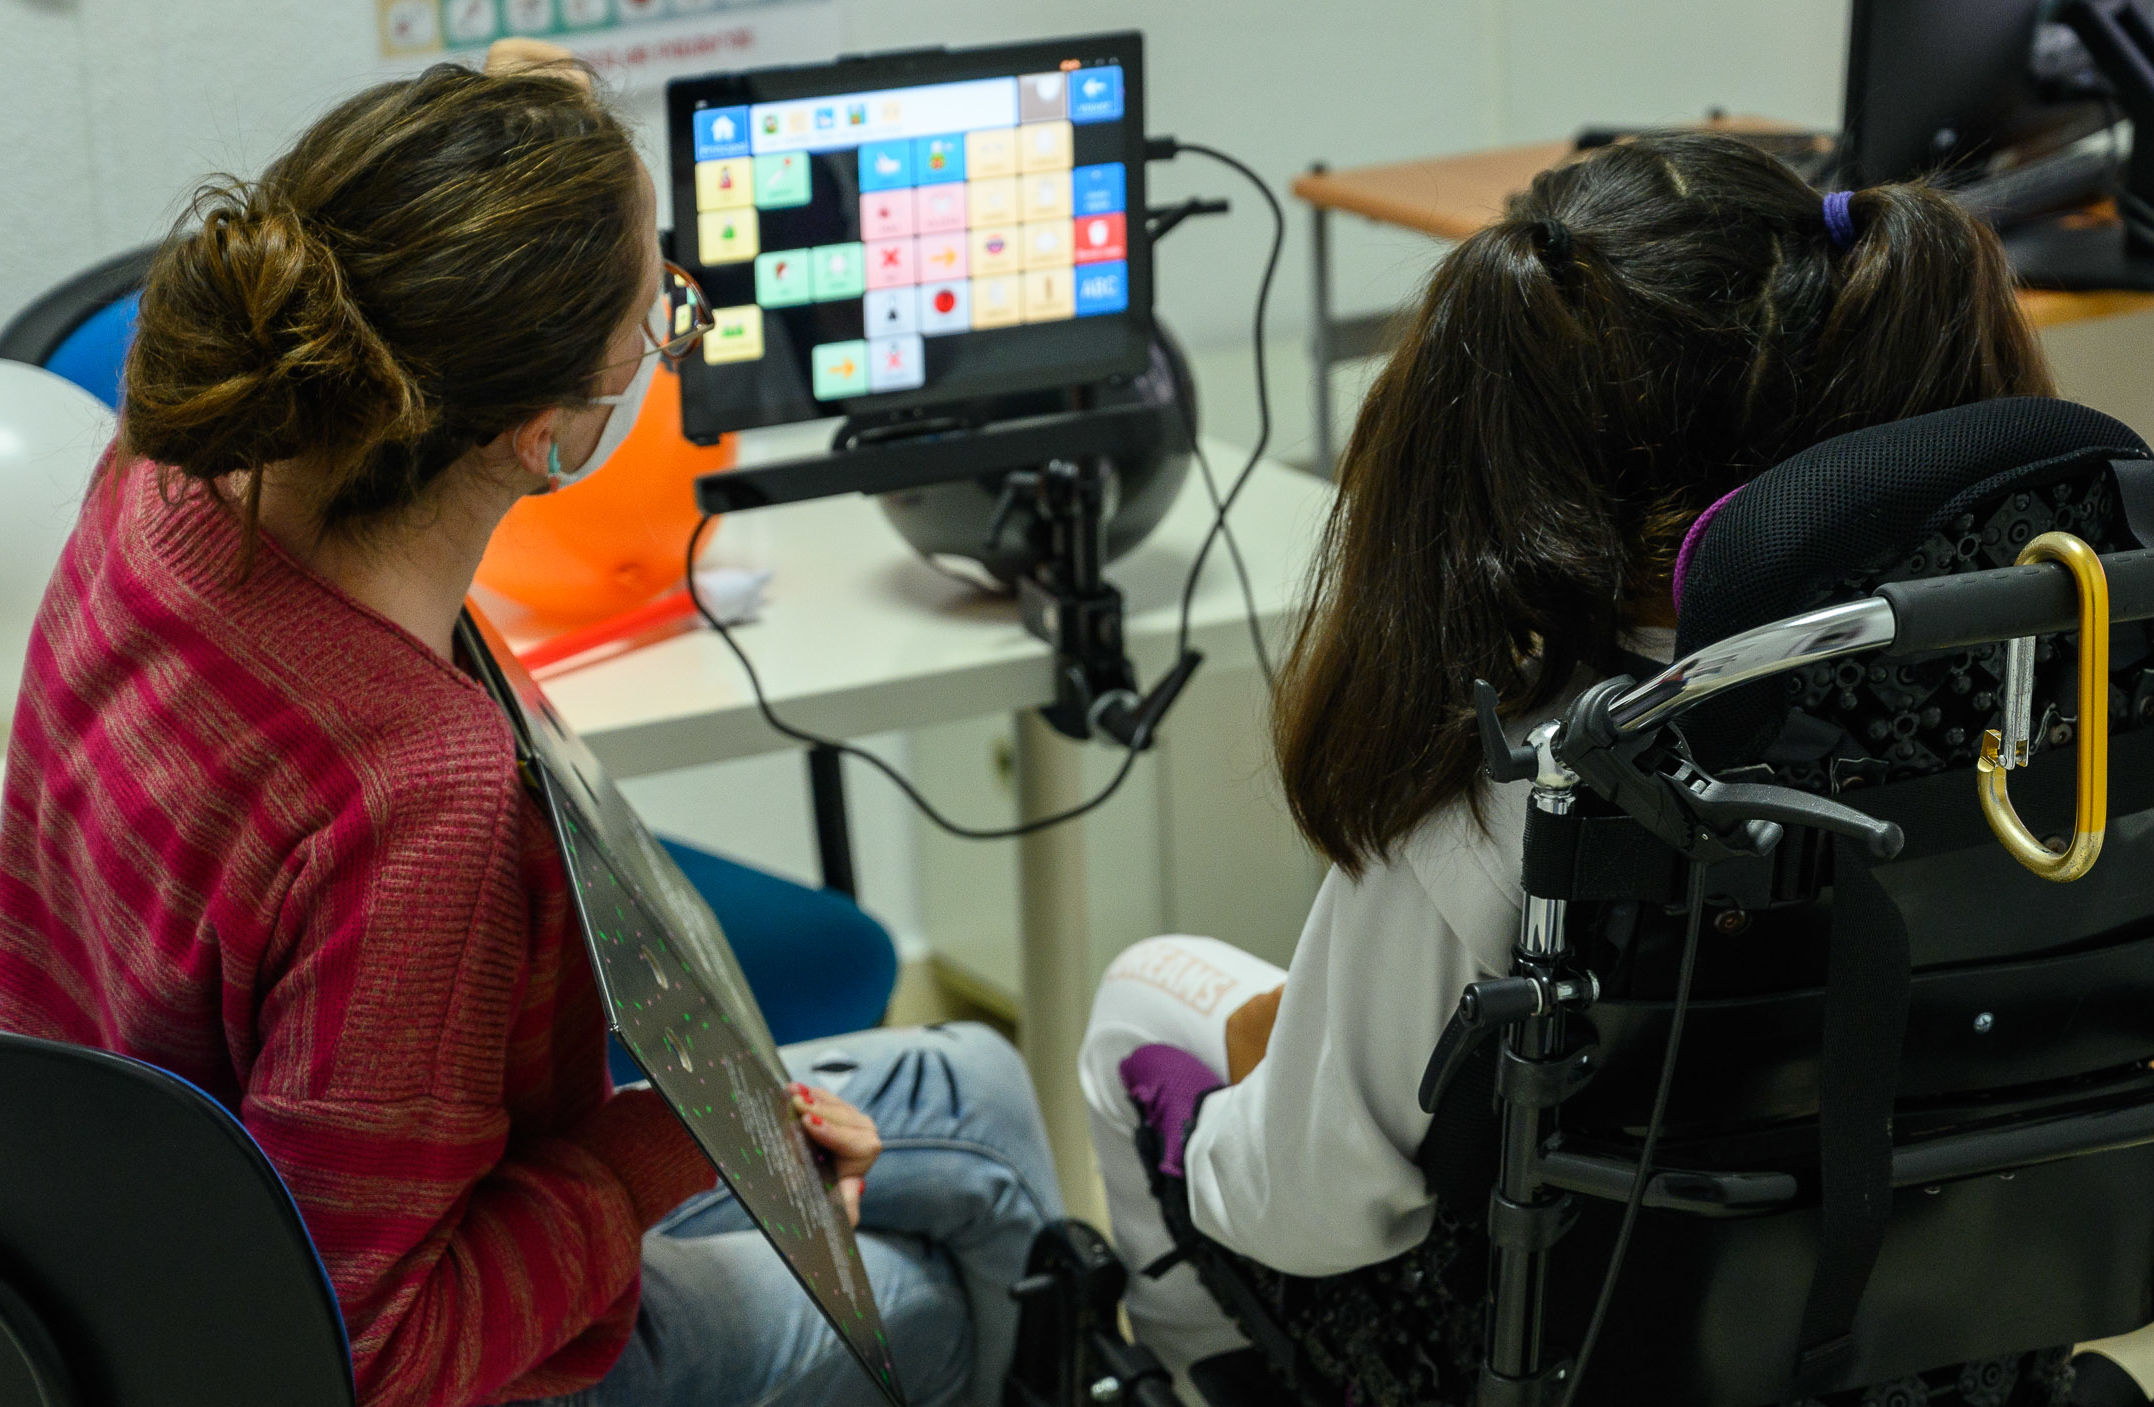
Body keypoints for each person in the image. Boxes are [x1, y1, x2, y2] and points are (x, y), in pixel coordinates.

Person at [0, 44, 1059, 1407]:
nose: (666, 318)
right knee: (936, 1296)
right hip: (354, 1344)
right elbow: (374, 1349)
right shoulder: (414, 792)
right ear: (550, 435)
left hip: (108, 1234)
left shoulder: (171, 454)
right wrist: (657, 1152)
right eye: (658, 309)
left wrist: (535, 147)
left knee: (975, 1084)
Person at [1079, 132, 2063, 1392]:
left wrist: (1209, 1129)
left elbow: (1315, 1215)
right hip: (1959, 1347)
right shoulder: (2036, 716)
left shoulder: (1524, 783)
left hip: (1572, 1360)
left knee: (1142, 1004)